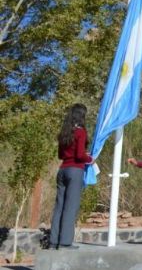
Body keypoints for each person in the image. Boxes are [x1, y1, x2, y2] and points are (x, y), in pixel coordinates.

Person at [50, 103, 93, 250]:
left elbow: (60, 155)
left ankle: (53, 242)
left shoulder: (65, 132)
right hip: (75, 170)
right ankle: (65, 242)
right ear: (82, 115)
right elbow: (80, 155)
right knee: (71, 207)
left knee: (59, 207)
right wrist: (90, 159)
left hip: (62, 170)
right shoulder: (80, 132)